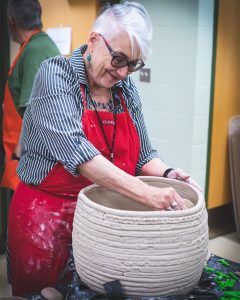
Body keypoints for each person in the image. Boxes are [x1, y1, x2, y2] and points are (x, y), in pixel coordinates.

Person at [8, 1, 201, 296]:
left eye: (133, 64)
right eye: (119, 59)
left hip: (104, 224)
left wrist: (169, 174)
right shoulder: (55, 75)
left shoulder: (125, 89)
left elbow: (144, 154)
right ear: (95, 40)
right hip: (47, 222)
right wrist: (149, 194)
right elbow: (78, 154)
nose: (124, 72)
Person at [0, 0, 60, 191]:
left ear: (11, 21)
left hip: (28, 163)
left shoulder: (35, 51)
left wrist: (19, 158)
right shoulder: (38, 45)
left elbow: (34, 113)